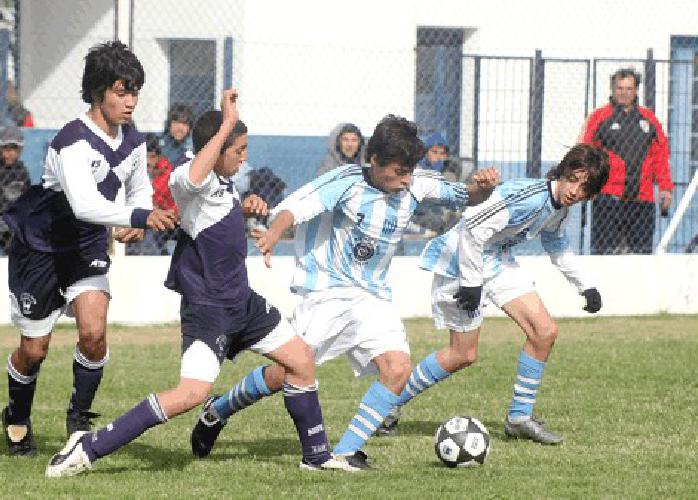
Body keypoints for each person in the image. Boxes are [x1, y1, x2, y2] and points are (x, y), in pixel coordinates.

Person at [46, 89, 350, 477]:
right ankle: (88, 447)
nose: (244, 157)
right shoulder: (185, 176)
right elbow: (192, 183)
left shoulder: (221, 181)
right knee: (190, 394)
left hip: (242, 303)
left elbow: (211, 213)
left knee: (301, 360)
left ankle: (316, 457)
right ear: (216, 147)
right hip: (209, 311)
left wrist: (246, 206)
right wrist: (225, 125)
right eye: (237, 149)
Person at [188, 114, 499, 471]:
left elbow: (466, 195)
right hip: (329, 292)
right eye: (398, 171)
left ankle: (346, 452)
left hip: (373, 297)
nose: (406, 179)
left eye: (410, 170)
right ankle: (218, 410)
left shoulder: (417, 184)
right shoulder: (345, 182)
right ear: (375, 161)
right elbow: (294, 206)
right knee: (286, 372)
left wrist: (484, 187)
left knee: (397, 368)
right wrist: (273, 235)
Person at [0, 40, 179, 458]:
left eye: (134, 92)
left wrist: (138, 216)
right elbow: (84, 204)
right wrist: (137, 219)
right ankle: (17, 416)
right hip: (41, 251)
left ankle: (78, 420)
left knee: (94, 334)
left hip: (86, 248)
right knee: (34, 350)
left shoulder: (133, 140)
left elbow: (139, 191)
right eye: (121, 92)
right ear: (99, 92)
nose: (130, 102)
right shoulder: (71, 141)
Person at [374, 143, 611, 444]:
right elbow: (472, 230)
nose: (576, 191)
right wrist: (472, 283)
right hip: (460, 260)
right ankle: (386, 406)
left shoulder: (558, 208)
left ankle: (519, 418)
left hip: (495, 260)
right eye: (574, 180)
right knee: (462, 354)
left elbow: (555, 243)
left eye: (585, 188)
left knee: (544, 331)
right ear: (564, 172)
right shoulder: (528, 197)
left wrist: (585, 285)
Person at [580, 68, 673, 255]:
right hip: (608, 200)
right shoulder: (599, 117)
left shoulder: (649, 119)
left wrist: (665, 188)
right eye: (620, 88)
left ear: (636, 90)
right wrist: (586, 184)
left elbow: (660, 156)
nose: (624, 93)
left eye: (629, 88)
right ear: (613, 89)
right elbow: (585, 153)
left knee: (641, 257)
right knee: (604, 256)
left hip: (642, 201)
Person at [125, 133, 179, 255]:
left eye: (152, 156)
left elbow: (174, 204)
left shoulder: (168, 173)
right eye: (145, 157)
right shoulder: (134, 170)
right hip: (148, 214)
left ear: (159, 157)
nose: (148, 161)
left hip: (168, 218)